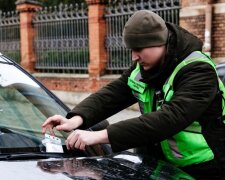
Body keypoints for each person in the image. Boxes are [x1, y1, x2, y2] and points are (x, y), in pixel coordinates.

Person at [42, 10, 225, 179]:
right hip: (156, 164)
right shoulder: (145, 67)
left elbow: (170, 118)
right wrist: (75, 119)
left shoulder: (198, 70)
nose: (134, 57)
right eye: (131, 49)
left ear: (160, 42)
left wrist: (100, 136)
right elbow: (114, 93)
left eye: (139, 49)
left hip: (203, 166)